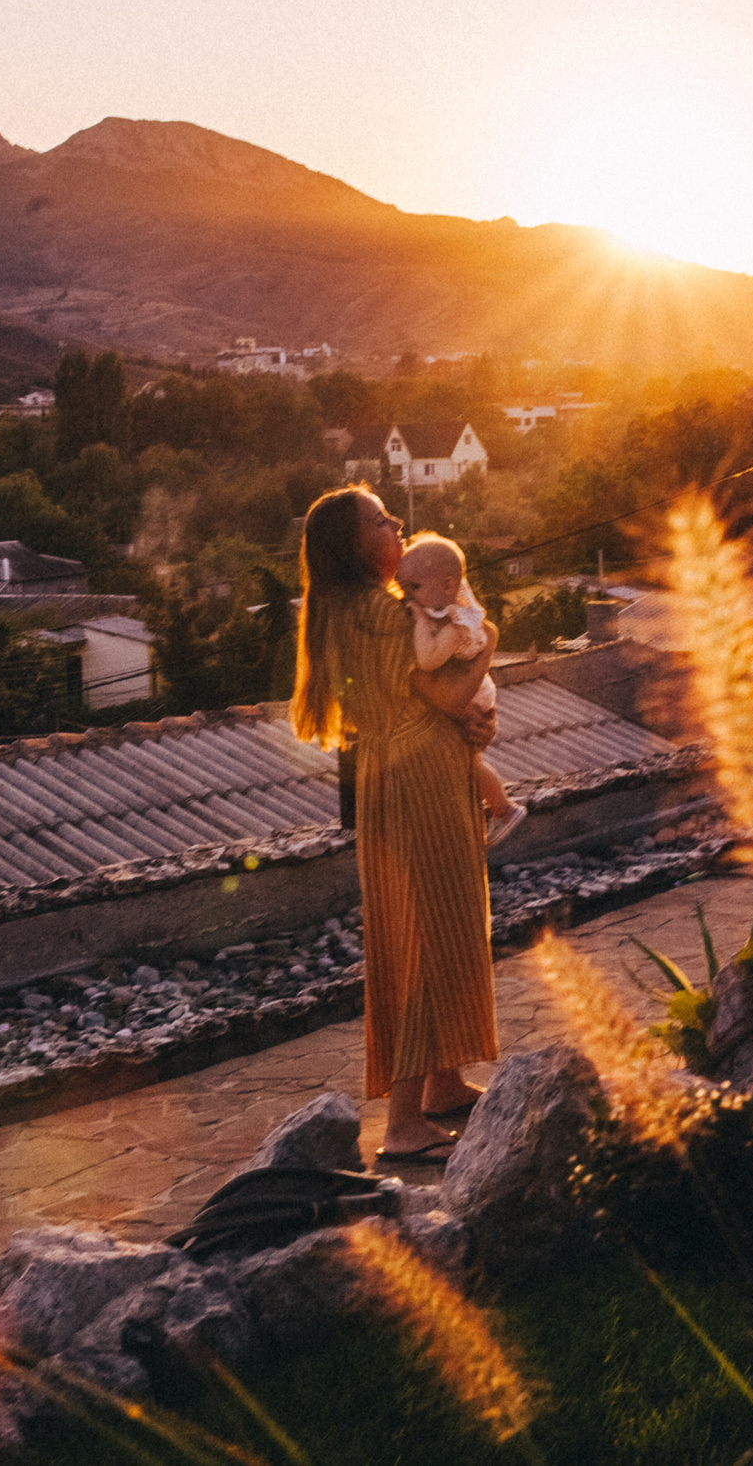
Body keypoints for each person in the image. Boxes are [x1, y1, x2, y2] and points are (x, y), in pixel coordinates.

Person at [292, 485, 499, 1163]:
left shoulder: (341, 609)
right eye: (382, 520)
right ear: (357, 547)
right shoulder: (381, 615)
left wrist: (468, 720)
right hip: (419, 786)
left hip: (403, 775)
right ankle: (407, 1120)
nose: (397, 524)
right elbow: (443, 690)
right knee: (422, 933)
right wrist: (489, 649)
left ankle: (443, 1080)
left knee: (439, 922)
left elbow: (427, 699)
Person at [394, 533, 526, 846]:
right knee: (467, 761)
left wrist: (417, 618)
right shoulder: (446, 608)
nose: (405, 595)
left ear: (448, 586)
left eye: (413, 587)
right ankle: (500, 807)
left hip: (474, 694)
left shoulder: (456, 625)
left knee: (466, 762)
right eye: (403, 586)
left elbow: (426, 660)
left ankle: (503, 808)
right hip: (474, 686)